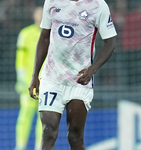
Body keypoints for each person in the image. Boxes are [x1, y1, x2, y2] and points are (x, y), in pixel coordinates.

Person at [29, 0, 117, 149]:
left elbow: (111, 42)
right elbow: (44, 37)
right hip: (52, 78)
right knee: (48, 131)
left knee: (75, 136)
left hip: (79, 81)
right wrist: (35, 75)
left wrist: (92, 69)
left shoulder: (98, 5)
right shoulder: (52, 2)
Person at [14, 7, 43, 150]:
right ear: (33, 15)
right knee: (25, 115)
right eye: (39, 12)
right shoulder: (25, 33)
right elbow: (20, 58)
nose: (41, 15)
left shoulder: (51, 34)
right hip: (28, 83)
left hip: (46, 84)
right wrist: (20, 78)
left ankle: (40, 147)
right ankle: (20, 146)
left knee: (43, 118)